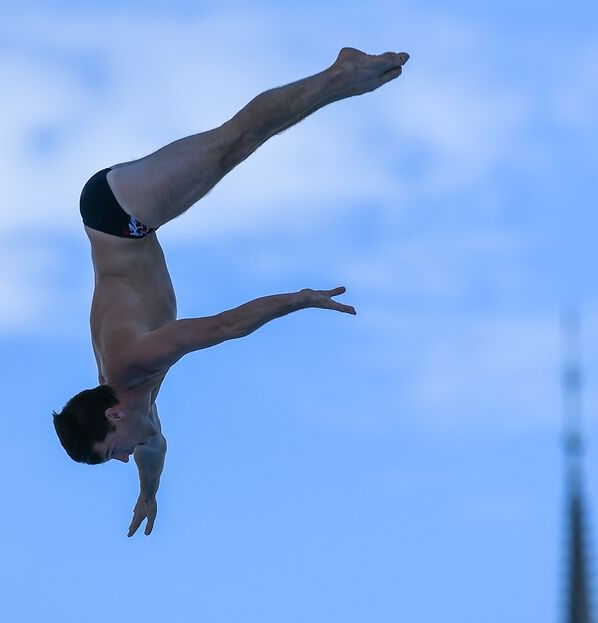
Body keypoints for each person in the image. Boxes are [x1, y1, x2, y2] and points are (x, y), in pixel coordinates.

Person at [53, 46, 410, 536]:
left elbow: (225, 326)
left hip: (119, 213)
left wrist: (298, 299)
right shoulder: (139, 408)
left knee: (233, 143)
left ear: (114, 415)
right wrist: (149, 492)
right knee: (236, 145)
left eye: (114, 450)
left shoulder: (130, 361)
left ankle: (340, 73)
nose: (123, 457)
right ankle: (341, 78)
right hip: (126, 223)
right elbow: (153, 449)